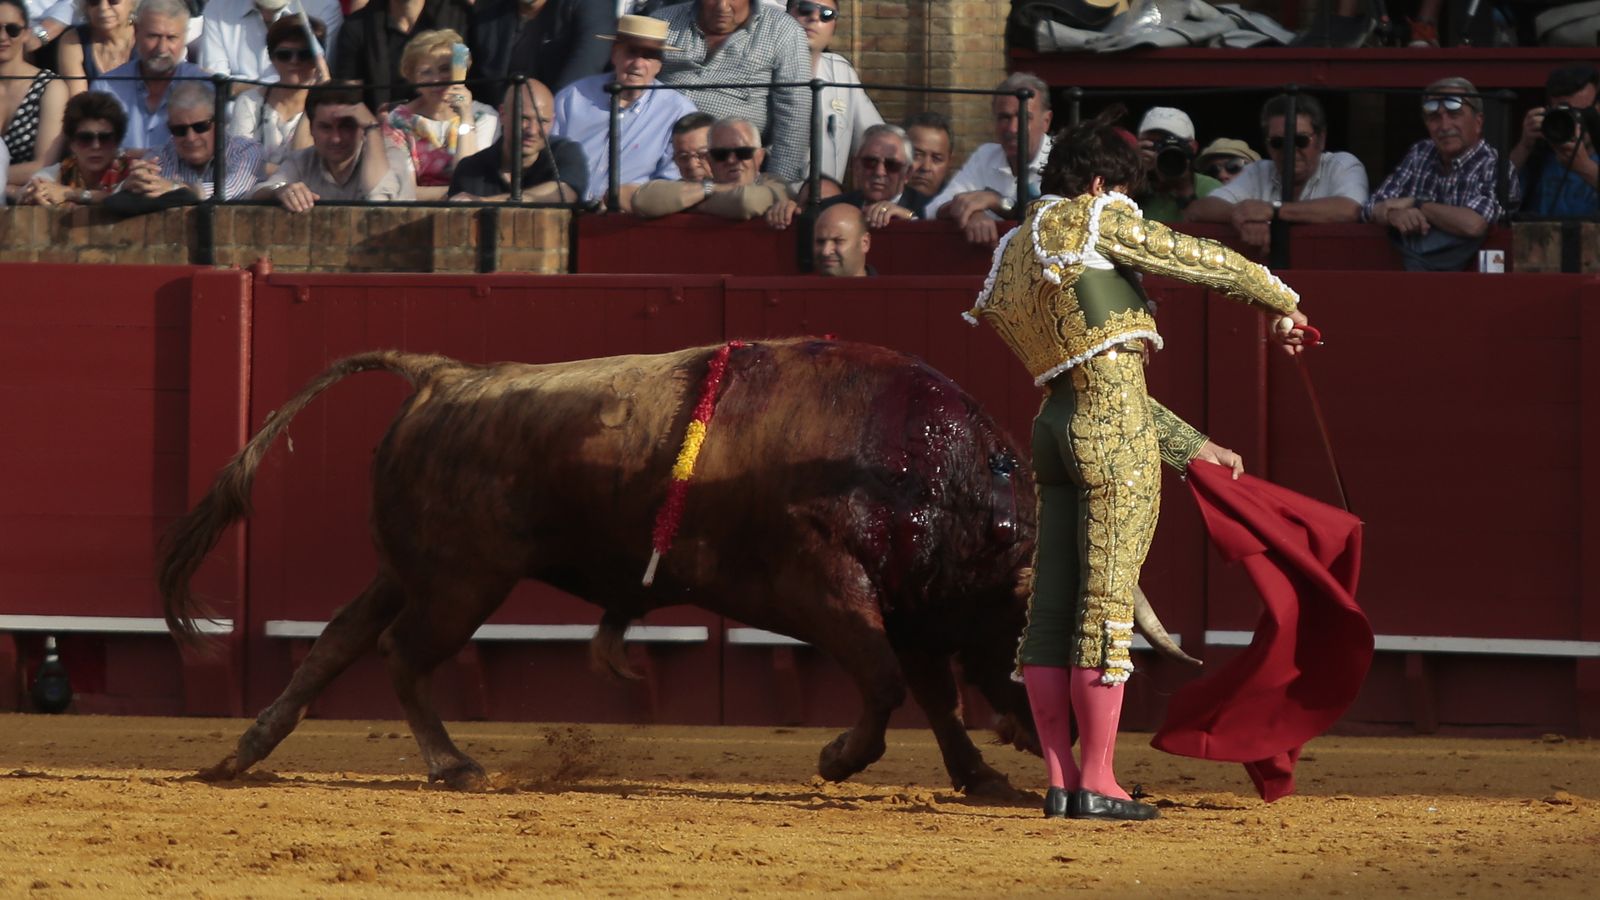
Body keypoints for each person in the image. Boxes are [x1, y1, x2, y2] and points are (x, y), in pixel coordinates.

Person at [963, 104, 1311, 823]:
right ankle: (1099, 780)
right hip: (1109, 432)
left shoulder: (1018, 248)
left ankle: (1063, 781)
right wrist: (1282, 301)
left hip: (1055, 428)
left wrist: (1192, 446)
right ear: (1099, 184)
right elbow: (1194, 257)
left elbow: (1095, 381)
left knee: (1052, 611)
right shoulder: (1094, 217)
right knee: (1104, 609)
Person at [1365, 77, 1518, 272]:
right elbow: (1370, 207)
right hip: (1410, 283)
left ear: (1478, 122)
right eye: (1434, 117)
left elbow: (1473, 224)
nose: (1444, 126)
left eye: (1454, 114)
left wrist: (1417, 204)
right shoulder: (1420, 153)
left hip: (1475, 287)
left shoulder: (1496, 165)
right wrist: (1395, 215)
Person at [1184, 94, 1367, 255]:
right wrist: (1242, 215)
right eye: (1278, 142)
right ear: (1267, 144)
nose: (1290, 150)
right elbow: (1199, 209)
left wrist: (1273, 211)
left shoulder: (1341, 164)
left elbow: (1350, 209)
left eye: (1300, 140)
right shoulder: (1258, 171)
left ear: (1321, 139)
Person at [653, 0, 811, 184]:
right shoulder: (663, 21)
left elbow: (795, 113)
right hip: (660, 160)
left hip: (733, 167)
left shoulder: (783, 30)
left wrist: (781, 183)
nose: (722, 6)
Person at [550, 13, 694, 204]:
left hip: (629, 220)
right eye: (632, 52)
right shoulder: (574, 96)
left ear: (659, 65)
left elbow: (670, 182)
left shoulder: (677, 111)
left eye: (649, 56)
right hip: (563, 207)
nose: (638, 64)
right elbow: (547, 160)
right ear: (614, 54)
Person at [926, 71, 1053, 246]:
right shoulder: (986, 156)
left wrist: (997, 202)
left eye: (1024, 117)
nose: (1013, 129)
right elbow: (935, 208)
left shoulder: (1062, 158)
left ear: (1046, 121)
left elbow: (1053, 223)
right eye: (1004, 117)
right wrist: (972, 212)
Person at [254, 83, 415, 210]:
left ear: (360, 128)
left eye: (346, 126)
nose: (336, 138)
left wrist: (372, 129)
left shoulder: (390, 154)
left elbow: (378, 201)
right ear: (312, 130)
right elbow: (255, 193)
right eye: (325, 127)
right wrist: (279, 192)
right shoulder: (302, 160)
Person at [386, 28, 499, 199]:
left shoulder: (484, 116)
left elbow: (470, 178)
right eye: (426, 72)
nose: (436, 80)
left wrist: (466, 116)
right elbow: (404, 192)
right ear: (413, 77)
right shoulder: (398, 120)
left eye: (445, 69)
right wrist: (456, 194)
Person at [90, 0, 209, 153]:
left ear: (184, 38)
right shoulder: (106, 88)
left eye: (171, 38)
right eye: (153, 36)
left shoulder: (203, 85)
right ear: (136, 32)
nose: (162, 48)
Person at [119, 78, 266, 200]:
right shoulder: (159, 157)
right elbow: (144, 186)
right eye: (179, 130)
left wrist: (176, 189)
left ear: (219, 123)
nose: (190, 137)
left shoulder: (247, 151)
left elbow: (233, 190)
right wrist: (135, 184)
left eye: (200, 127)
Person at [447, 78, 587, 202]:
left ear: (553, 121)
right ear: (502, 114)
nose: (532, 130)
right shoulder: (470, 169)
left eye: (542, 121)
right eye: (523, 119)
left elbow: (564, 193)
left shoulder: (566, 153)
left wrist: (484, 202)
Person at [789, 0, 879, 184]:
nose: (814, 17)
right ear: (786, 15)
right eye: (805, 9)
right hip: (771, 204)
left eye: (826, 14)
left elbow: (874, 139)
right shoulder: (758, 69)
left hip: (826, 205)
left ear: (833, 27)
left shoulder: (841, 71)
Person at [630, 114, 789, 218]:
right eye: (721, 154)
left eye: (743, 153)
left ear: (759, 156)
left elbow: (746, 201)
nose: (732, 160)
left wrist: (683, 205)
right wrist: (712, 189)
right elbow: (641, 200)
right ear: (711, 160)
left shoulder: (776, 185)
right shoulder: (697, 188)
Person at [228, 15, 329, 175]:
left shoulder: (328, 108)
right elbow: (238, 163)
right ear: (271, 58)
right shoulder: (249, 102)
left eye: (304, 54)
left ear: (318, 60)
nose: (294, 61)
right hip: (254, 196)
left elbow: (305, 166)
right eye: (284, 55)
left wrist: (319, 95)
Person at [765, 122, 916, 230]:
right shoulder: (830, 207)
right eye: (870, 162)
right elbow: (803, 219)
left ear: (908, 173)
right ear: (856, 166)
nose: (879, 172)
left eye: (892, 165)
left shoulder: (927, 207)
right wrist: (787, 211)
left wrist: (910, 218)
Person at [333, 0, 472, 111]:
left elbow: (471, 82)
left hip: (451, 124)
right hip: (382, 132)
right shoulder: (357, 26)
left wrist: (462, 112)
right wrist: (375, 124)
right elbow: (349, 97)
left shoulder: (460, 16)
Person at [1510, 65, 1600, 218]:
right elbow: (1493, 198)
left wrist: (1585, 168)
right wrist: (1524, 146)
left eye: (1580, 112)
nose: (1574, 121)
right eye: (1564, 113)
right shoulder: (1537, 159)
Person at [19, 89, 135, 205]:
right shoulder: (51, 177)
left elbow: (129, 201)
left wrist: (71, 194)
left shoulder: (132, 174)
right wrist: (36, 196)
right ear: (71, 143)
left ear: (117, 142)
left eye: (104, 138)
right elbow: (26, 195)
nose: (96, 146)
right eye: (85, 138)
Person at [1, 0, 67, 196]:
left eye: (12, 29)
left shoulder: (51, 87)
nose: (2, 36)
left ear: (26, 33)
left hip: (32, 199)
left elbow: (44, 164)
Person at [200, 0, 344, 85]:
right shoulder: (217, 8)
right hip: (230, 123)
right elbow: (214, 85)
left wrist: (237, 87)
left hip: (300, 120)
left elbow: (315, 81)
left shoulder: (324, 5)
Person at [501, 0, 616, 95]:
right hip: (496, 113)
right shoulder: (491, 9)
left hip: (557, 113)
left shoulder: (590, 6)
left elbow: (586, 64)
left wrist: (548, 113)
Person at [1132, 105, 1216, 224]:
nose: (1161, 152)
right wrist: (1133, 168)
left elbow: (1206, 236)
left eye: (1170, 144)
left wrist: (1184, 188)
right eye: (1154, 144)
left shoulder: (1210, 189)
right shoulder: (1130, 186)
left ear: (1192, 148)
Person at [57, 0, 137, 97]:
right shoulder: (73, 40)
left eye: (113, 1)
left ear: (132, 3)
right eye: (94, 2)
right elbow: (79, 102)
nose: (103, 8)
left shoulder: (147, 35)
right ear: (86, 7)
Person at [903, 110, 951, 216]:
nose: (926, 167)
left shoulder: (958, 207)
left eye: (936, 159)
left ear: (949, 162)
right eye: (917, 155)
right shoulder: (880, 199)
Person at [812, 201, 870, 276]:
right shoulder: (801, 286)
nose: (825, 251)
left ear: (865, 243)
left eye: (838, 241)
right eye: (820, 241)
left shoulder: (885, 287)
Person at [667, 109, 711, 180]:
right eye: (683, 157)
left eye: (702, 155)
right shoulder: (669, 190)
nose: (692, 165)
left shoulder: (734, 189)